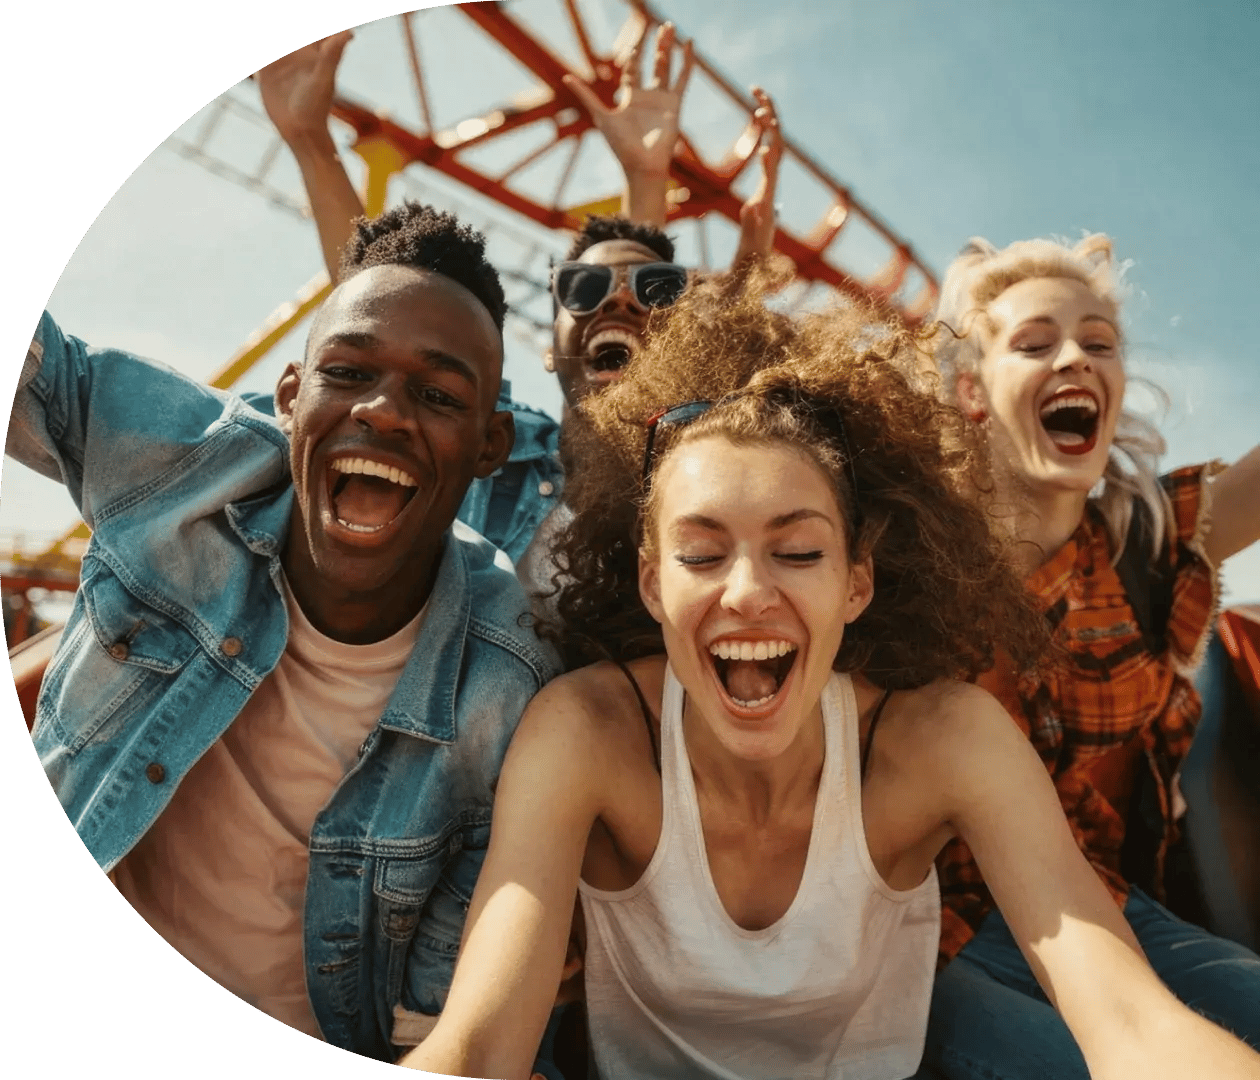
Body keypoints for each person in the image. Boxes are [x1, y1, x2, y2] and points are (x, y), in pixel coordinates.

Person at [388, 283, 1260, 1080]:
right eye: (701, 553)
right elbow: (479, 1042)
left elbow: (1133, 1027)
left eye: (798, 551)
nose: (748, 593)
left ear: (857, 582)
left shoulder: (942, 741)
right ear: (654, 583)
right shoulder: (586, 733)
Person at [10, 204, 564, 1069]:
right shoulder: (184, 466)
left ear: (491, 443)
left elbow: (433, 1022)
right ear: (291, 395)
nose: (382, 411)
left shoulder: (507, 682)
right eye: (347, 372)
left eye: (439, 394)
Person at [256, 24, 783, 570]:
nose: (621, 302)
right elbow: (386, 306)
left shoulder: (700, 484)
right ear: (551, 347)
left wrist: (648, 182)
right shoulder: (490, 449)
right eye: (584, 290)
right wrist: (311, 142)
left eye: (656, 292)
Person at [926, 233, 1260, 1078]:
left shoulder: (1144, 549)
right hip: (929, 933)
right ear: (972, 389)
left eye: (1099, 342)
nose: (1075, 356)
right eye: (1036, 343)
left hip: (1107, 908)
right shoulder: (904, 561)